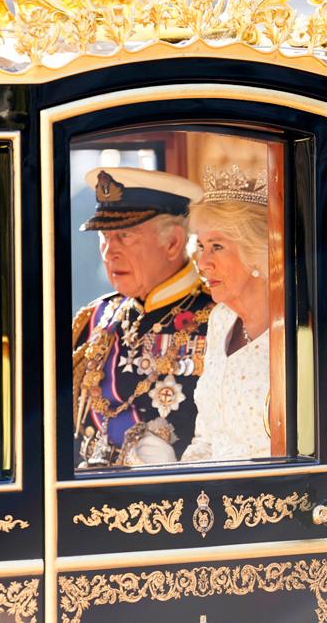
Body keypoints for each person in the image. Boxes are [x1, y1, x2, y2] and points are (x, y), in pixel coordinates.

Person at [73, 167, 214, 468]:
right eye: (104, 237)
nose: (110, 252)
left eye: (124, 236)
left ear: (174, 243)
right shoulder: (98, 316)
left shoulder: (216, 316)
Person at [181, 165, 271, 462]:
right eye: (202, 246)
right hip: (210, 495)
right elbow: (206, 439)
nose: (203, 262)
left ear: (257, 253)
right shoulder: (221, 320)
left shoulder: (303, 330)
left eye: (217, 246)